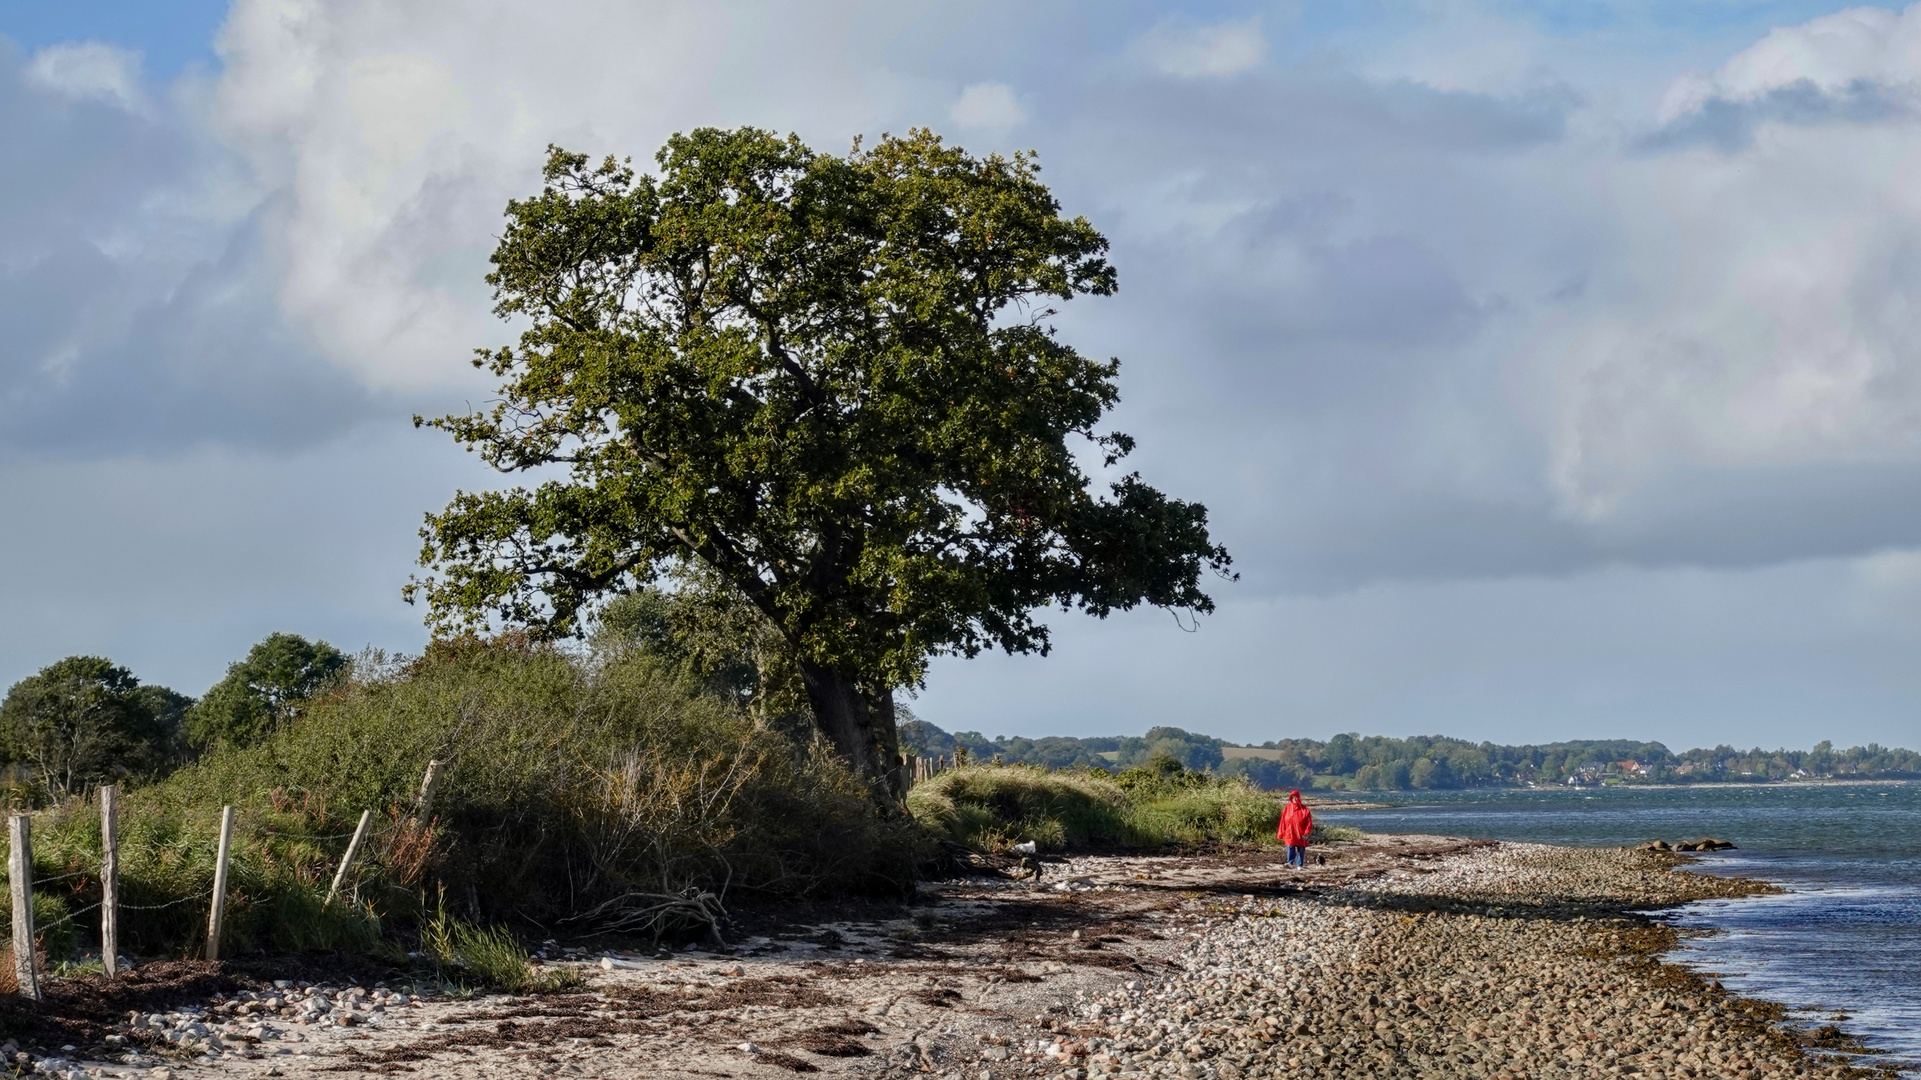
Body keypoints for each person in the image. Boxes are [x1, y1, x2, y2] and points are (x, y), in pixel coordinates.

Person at [1278, 790, 1312, 868]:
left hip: (1301, 833)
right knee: (1290, 847)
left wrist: (1307, 832)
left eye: (1296, 797)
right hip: (1289, 833)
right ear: (1291, 798)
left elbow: (1309, 822)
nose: (1295, 799)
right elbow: (1282, 821)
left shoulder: (1305, 810)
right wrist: (1280, 833)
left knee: (1301, 849)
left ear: (1299, 798)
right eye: (1293, 797)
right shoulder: (1287, 808)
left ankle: (1299, 865)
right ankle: (1290, 863)